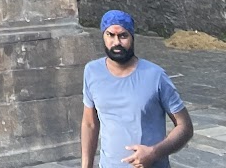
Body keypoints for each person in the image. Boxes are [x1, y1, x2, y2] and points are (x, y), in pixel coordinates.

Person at [82, 10, 194, 168]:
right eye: (110, 35)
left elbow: (185, 127)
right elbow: (90, 124)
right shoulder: (92, 72)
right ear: (103, 36)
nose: (116, 42)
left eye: (123, 36)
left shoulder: (155, 76)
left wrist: (154, 153)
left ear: (132, 37)